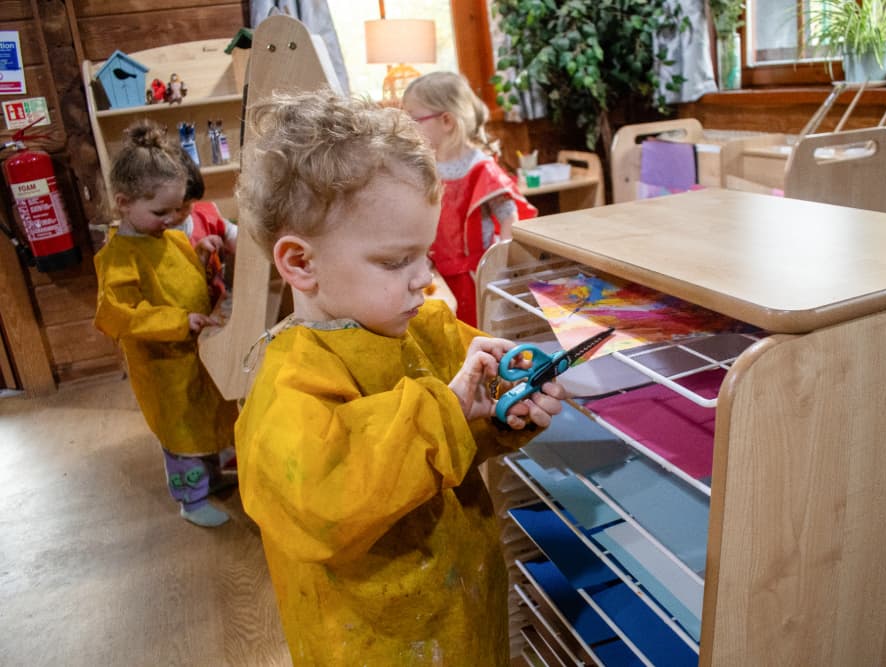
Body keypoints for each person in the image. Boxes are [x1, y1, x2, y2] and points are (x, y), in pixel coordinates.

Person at [234, 90, 566, 665]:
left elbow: (456, 440)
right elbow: (328, 506)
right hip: (375, 642)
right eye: (395, 262)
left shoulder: (428, 328)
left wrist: (506, 404)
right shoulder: (289, 386)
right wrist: (450, 410)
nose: (424, 279)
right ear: (300, 262)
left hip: (460, 606)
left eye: (425, 254)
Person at [93, 120, 238, 528]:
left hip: (195, 350)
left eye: (177, 209)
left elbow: (190, 282)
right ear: (123, 202)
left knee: (210, 412)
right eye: (161, 211)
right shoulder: (117, 258)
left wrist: (207, 254)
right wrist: (178, 321)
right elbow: (117, 314)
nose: (173, 218)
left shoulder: (173, 238)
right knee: (181, 432)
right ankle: (191, 499)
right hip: (162, 367)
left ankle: (217, 474)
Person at [402, 71, 537, 327]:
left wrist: (503, 265)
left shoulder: (480, 168)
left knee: (478, 328)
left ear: (447, 121)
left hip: (476, 275)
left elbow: (510, 215)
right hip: (435, 273)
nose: (409, 126)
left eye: (414, 118)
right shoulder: (426, 167)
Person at [174, 150, 238, 307]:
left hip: (216, 305)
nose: (184, 212)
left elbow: (234, 235)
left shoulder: (204, 215)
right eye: (176, 208)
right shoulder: (155, 235)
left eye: (188, 205)